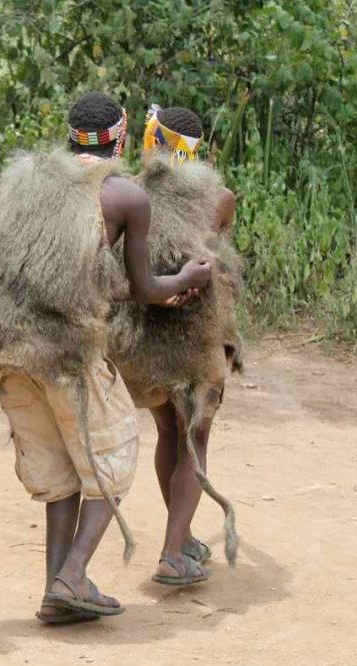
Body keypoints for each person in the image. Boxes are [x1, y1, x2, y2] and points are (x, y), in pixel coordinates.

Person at [0, 92, 212, 624]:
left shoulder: (24, 185)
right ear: (121, 140)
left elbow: (63, 276)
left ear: (71, 135)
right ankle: (74, 574)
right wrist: (187, 279)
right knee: (110, 460)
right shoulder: (123, 195)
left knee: (61, 474)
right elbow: (145, 288)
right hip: (69, 355)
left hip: (10, 353)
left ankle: (59, 590)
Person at [108, 105, 242, 586]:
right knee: (195, 439)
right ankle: (172, 551)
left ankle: (181, 538)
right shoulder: (218, 198)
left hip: (138, 339)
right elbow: (201, 256)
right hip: (191, 338)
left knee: (170, 431)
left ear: (150, 143)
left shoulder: (124, 193)